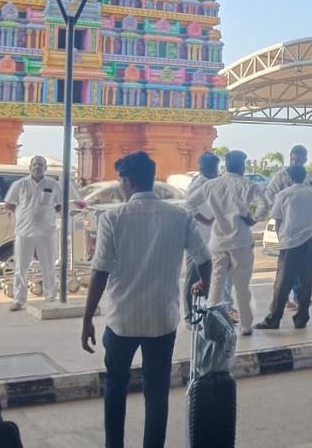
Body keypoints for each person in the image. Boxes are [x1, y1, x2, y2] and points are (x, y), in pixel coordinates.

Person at [81, 152, 211, 448]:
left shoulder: (112, 218)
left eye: (120, 180)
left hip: (121, 321)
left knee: (115, 387)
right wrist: (203, 283)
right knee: (156, 393)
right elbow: (204, 259)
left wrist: (87, 318)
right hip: (162, 321)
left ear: (128, 181)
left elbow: (100, 271)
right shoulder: (179, 216)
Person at [186, 150, 269, 336]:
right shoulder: (248, 186)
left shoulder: (211, 185)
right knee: (241, 285)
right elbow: (264, 205)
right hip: (240, 241)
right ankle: (246, 326)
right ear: (242, 166)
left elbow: (189, 204)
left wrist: (207, 220)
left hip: (217, 242)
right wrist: (253, 219)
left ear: (226, 165)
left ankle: (212, 324)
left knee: (216, 282)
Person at [256, 165, 312, 330]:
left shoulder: (283, 195)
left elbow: (277, 219)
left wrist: (280, 238)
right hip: (308, 241)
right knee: (306, 282)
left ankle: (274, 319)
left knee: (282, 283)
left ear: (289, 178)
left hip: (289, 243)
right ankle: (301, 318)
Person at [4, 155, 63, 311]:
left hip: (46, 231)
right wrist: (23, 213)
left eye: (41, 165)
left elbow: (59, 205)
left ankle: (51, 297)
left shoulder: (53, 184)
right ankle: (18, 299)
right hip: (24, 231)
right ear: (30, 167)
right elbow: (9, 203)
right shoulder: (20, 185)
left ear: (46, 168)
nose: (37, 167)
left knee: (48, 265)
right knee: (21, 267)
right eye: (35, 164)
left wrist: (47, 214)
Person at [265, 144, 312, 310]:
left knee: (304, 268)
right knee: (285, 268)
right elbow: (269, 196)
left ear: (305, 159)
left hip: (305, 229)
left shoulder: (308, 176)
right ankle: (283, 300)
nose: (295, 162)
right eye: (293, 159)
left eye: (299, 159)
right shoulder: (280, 177)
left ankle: (302, 298)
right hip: (286, 227)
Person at [184, 152, 233, 325]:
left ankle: (207, 315)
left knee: (209, 280)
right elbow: (188, 206)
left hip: (211, 240)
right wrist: (207, 221)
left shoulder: (210, 183)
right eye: (214, 167)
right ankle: (189, 316)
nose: (216, 170)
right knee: (192, 279)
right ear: (205, 167)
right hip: (197, 239)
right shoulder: (198, 185)